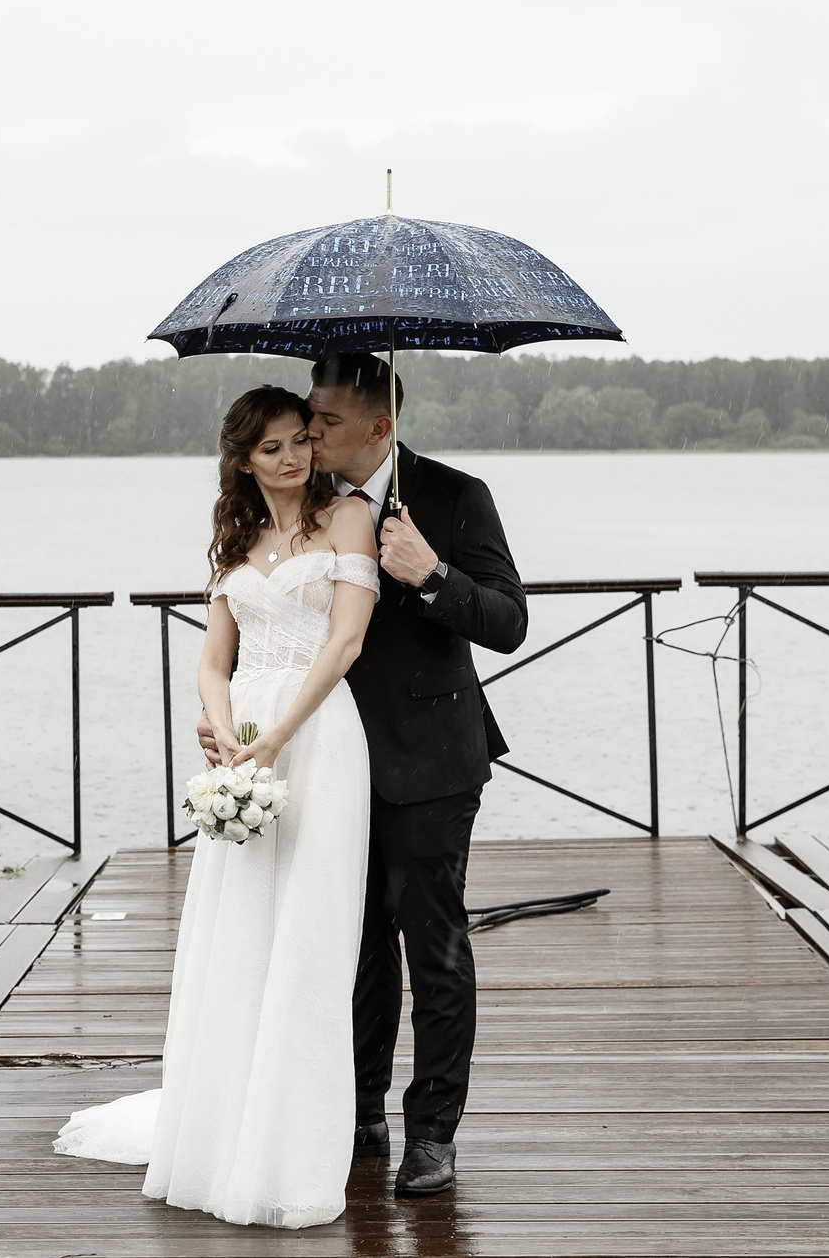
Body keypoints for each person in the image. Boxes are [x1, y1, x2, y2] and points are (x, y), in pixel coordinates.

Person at [197, 352, 526, 1198]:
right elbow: (255, 626)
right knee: (351, 943)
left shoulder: (455, 496)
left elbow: (508, 621)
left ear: (379, 426)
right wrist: (232, 715)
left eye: (326, 420)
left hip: (431, 761)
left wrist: (434, 573)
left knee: (434, 945)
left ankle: (433, 1133)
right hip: (322, 758)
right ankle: (357, 1110)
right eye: (302, 420)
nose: (309, 432)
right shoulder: (307, 511)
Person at [52, 385, 380, 1228]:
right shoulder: (236, 539)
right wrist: (228, 728)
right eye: (273, 446)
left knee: (310, 937)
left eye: (302, 439)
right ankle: (225, 1132)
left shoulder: (347, 519)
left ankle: (292, 1149)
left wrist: (277, 735)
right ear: (242, 459)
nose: (295, 456)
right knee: (237, 934)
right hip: (244, 740)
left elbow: (345, 640)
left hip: (318, 737)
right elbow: (212, 659)